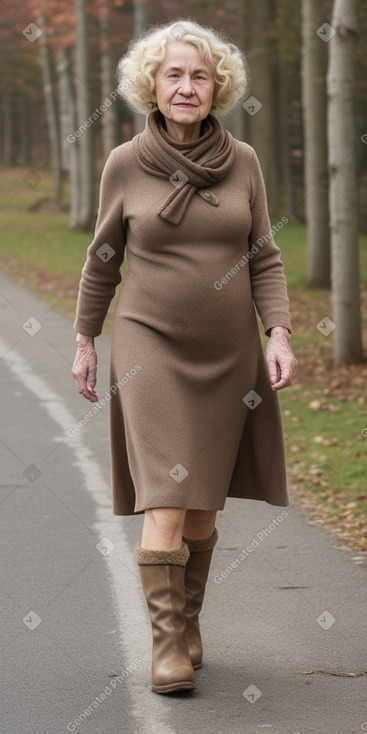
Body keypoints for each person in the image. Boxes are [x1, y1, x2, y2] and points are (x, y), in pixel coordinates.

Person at [71, 18, 298, 695]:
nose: (186, 86)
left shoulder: (244, 162)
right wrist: (85, 339)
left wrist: (278, 333)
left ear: (216, 85)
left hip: (228, 354)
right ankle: (167, 647)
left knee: (203, 506)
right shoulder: (125, 163)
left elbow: (263, 256)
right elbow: (102, 258)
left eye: (198, 75)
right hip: (150, 348)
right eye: (173, 74)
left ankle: (189, 622)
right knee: (168, 496)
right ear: (152, 83)